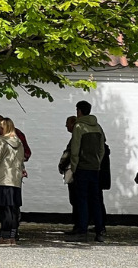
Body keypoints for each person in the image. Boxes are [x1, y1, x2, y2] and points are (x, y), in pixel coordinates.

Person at [65, 100, 106, 242]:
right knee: (95, 200)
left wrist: (74, 167)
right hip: (94, 168)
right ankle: (100, 231)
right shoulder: (98, 127)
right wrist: (97, 163)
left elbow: (75, 149)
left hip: (82, 167)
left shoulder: (79, 126)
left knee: (81, 200)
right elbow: (102, 149)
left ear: (79, 111)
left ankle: (82, 231)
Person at [0, 117, 25, 245]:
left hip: (2, 179)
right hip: (14, 179)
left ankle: (5, 236)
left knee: (4, 210)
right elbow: (21, 160)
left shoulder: (1, 142)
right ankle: (12, 236)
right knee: (13, 209)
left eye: (0, 127)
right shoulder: (19, 142)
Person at [57, 116, 78, 224]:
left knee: (75, 198)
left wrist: (62, 165)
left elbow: (69, 154)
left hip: (73, 171)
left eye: (67, 123)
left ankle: (78, 224)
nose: (66, 126)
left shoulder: (75, 138)